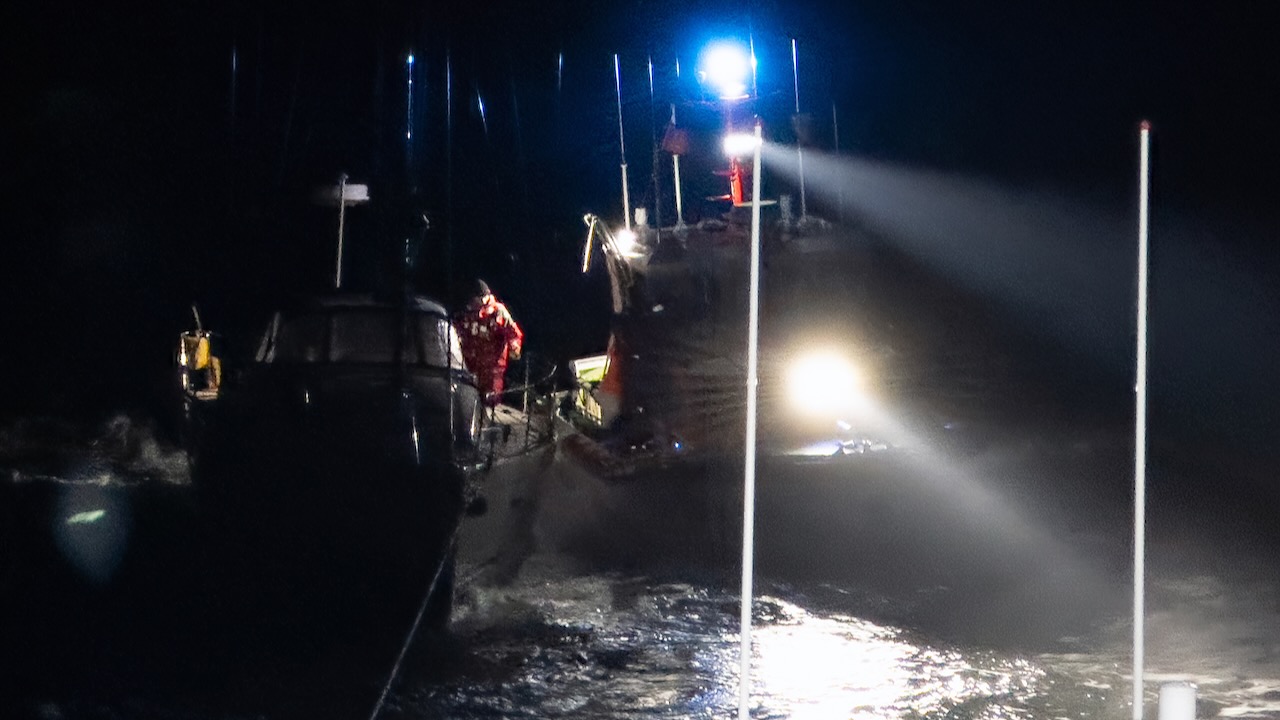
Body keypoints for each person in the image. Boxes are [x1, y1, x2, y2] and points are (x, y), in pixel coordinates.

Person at [455, 279, 524, 407]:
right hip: (470, 365)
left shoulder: (498, 311)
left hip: (492, 368)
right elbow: (458, 330)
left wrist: (514, 347)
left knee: (490, 402)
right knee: (468, 400)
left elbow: (513, 333)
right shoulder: (467, 312)